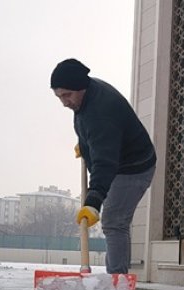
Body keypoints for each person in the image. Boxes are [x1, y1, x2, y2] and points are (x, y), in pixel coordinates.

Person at [50, 58, 156, 275]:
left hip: (133, 167)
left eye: (67, 95)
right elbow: (91, 132)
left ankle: (117, 284)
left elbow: (105, 162)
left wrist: (93, 200)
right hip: (117, 161)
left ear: (81, 87)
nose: (64, 102)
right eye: (59, 96)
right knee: (116, 221)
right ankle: (118, 280)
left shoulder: (101, 111)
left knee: (114, 222)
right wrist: (85, 144)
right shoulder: (86, 95)